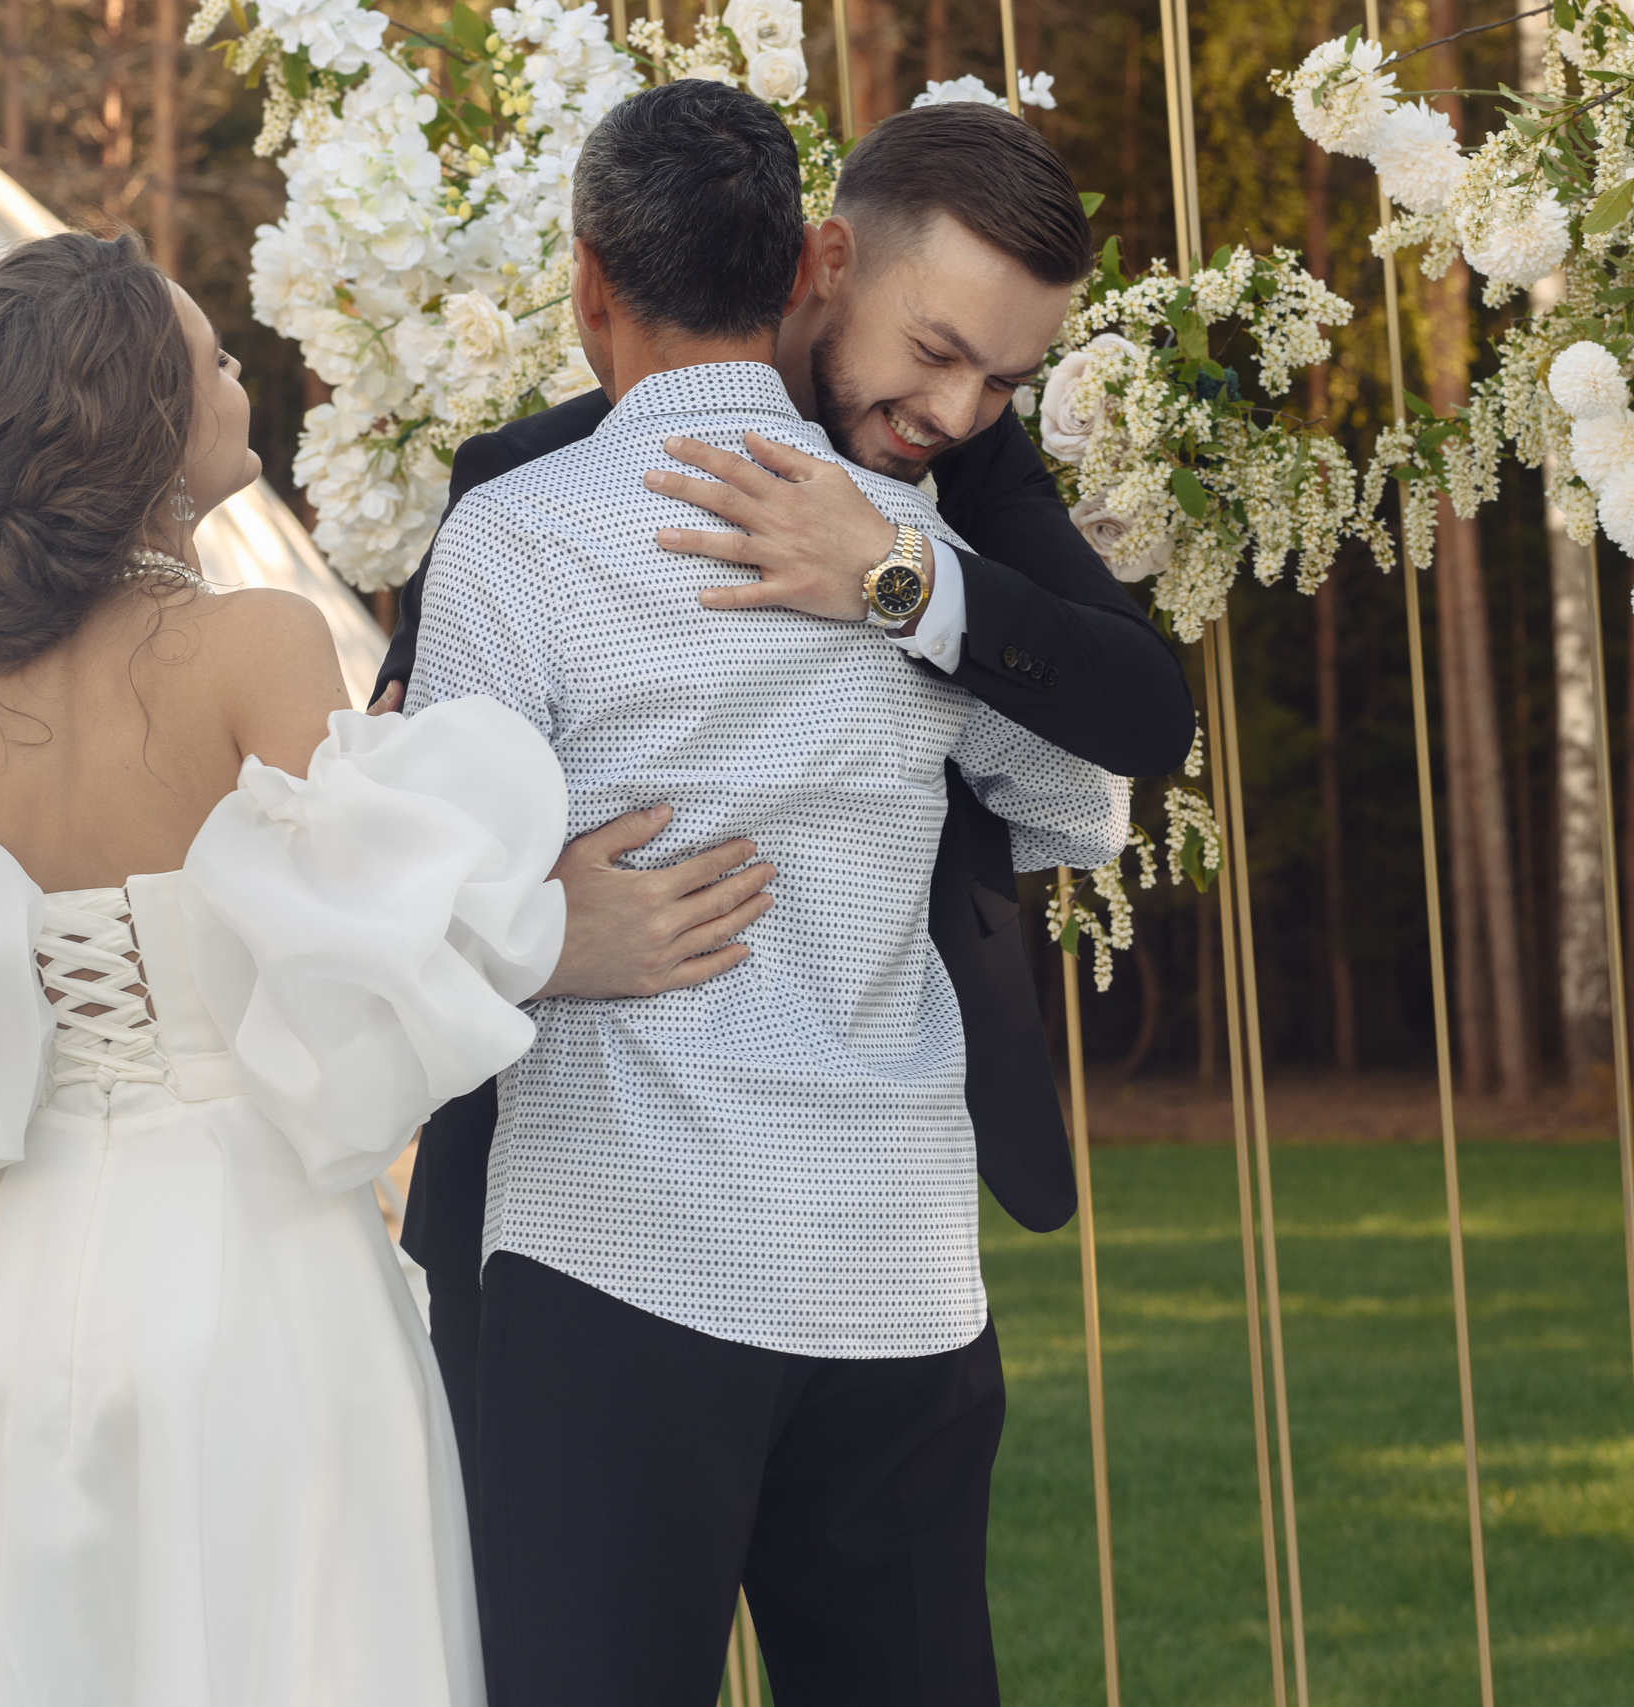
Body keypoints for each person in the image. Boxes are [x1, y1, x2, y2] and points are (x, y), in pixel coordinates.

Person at [0, 231, 717, 1707]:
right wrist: (548, 932)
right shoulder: (257, 646)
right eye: (213, 357)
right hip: (254, 1268)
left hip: (3, 1285)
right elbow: (364, 975)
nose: (239, 372)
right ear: (145, 431)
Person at [404, 81, 1132, 1703]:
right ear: (809, 266)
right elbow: (1075, 801)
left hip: (616, 1253)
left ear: (592, 280)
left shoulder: (518, 537)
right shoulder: (907, 550)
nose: (960, 408)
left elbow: (428, 901)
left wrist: (541, 925)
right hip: (893, 1267)